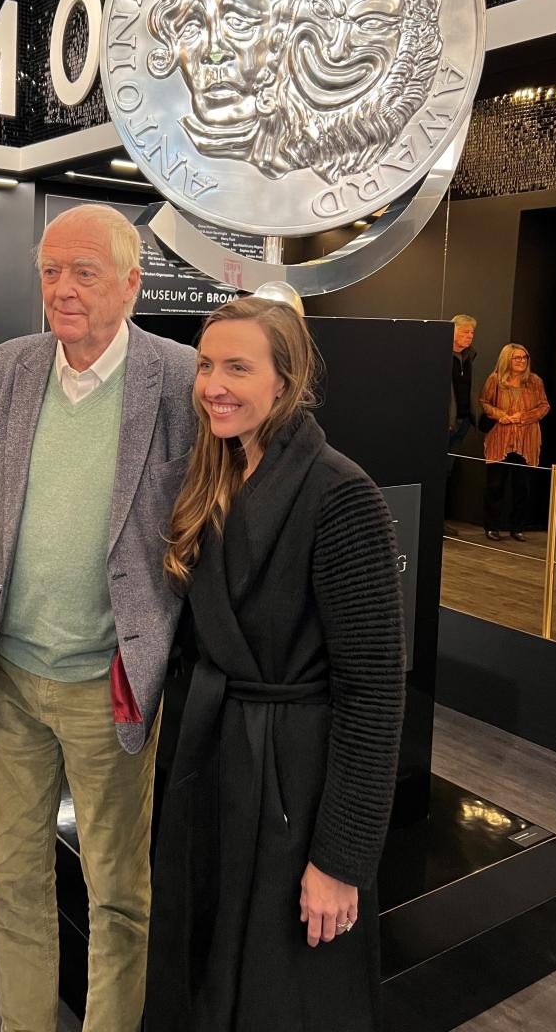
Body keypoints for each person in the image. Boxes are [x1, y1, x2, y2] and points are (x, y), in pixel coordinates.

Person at [0, 203, 197, 1032]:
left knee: (118, 891)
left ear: (132, 283)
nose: (62, 289)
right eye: (51, 271)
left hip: (114, 684)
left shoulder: (184, 381)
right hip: (12, 680)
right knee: (14, 879)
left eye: (84, 272)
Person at [146, 296, 405, 1032]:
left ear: (285, 380)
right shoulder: (209, 477)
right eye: (204, 366)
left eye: (238, 367)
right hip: (212, 759)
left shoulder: (340, 495)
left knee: (281, 988)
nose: (213, 384)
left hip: (294, 777)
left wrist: (342, 859)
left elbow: (376, 692)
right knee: (203, 964)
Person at [480, 343, 550, 542]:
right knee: (495, 485)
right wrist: (500, 414)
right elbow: (484, 402)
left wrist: (523, 417)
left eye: (524, 358)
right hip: (500, 438)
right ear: (506, 360)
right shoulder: (495, 380)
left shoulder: (535, 381)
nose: (521, 361)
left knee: (523, 486)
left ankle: (517, 527)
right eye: (517, 358)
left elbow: (544, 406)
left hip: (527, 440)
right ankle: (492, 526)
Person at [445, 313, 478, 537]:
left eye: (472, 332)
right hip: (446, 423)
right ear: (453, 332)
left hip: (464, 421)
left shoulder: (468, 357)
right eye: (465, 331)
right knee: (440, 470)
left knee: (448, 471)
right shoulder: (441, 355)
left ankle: (442, 519)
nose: (469, 336)